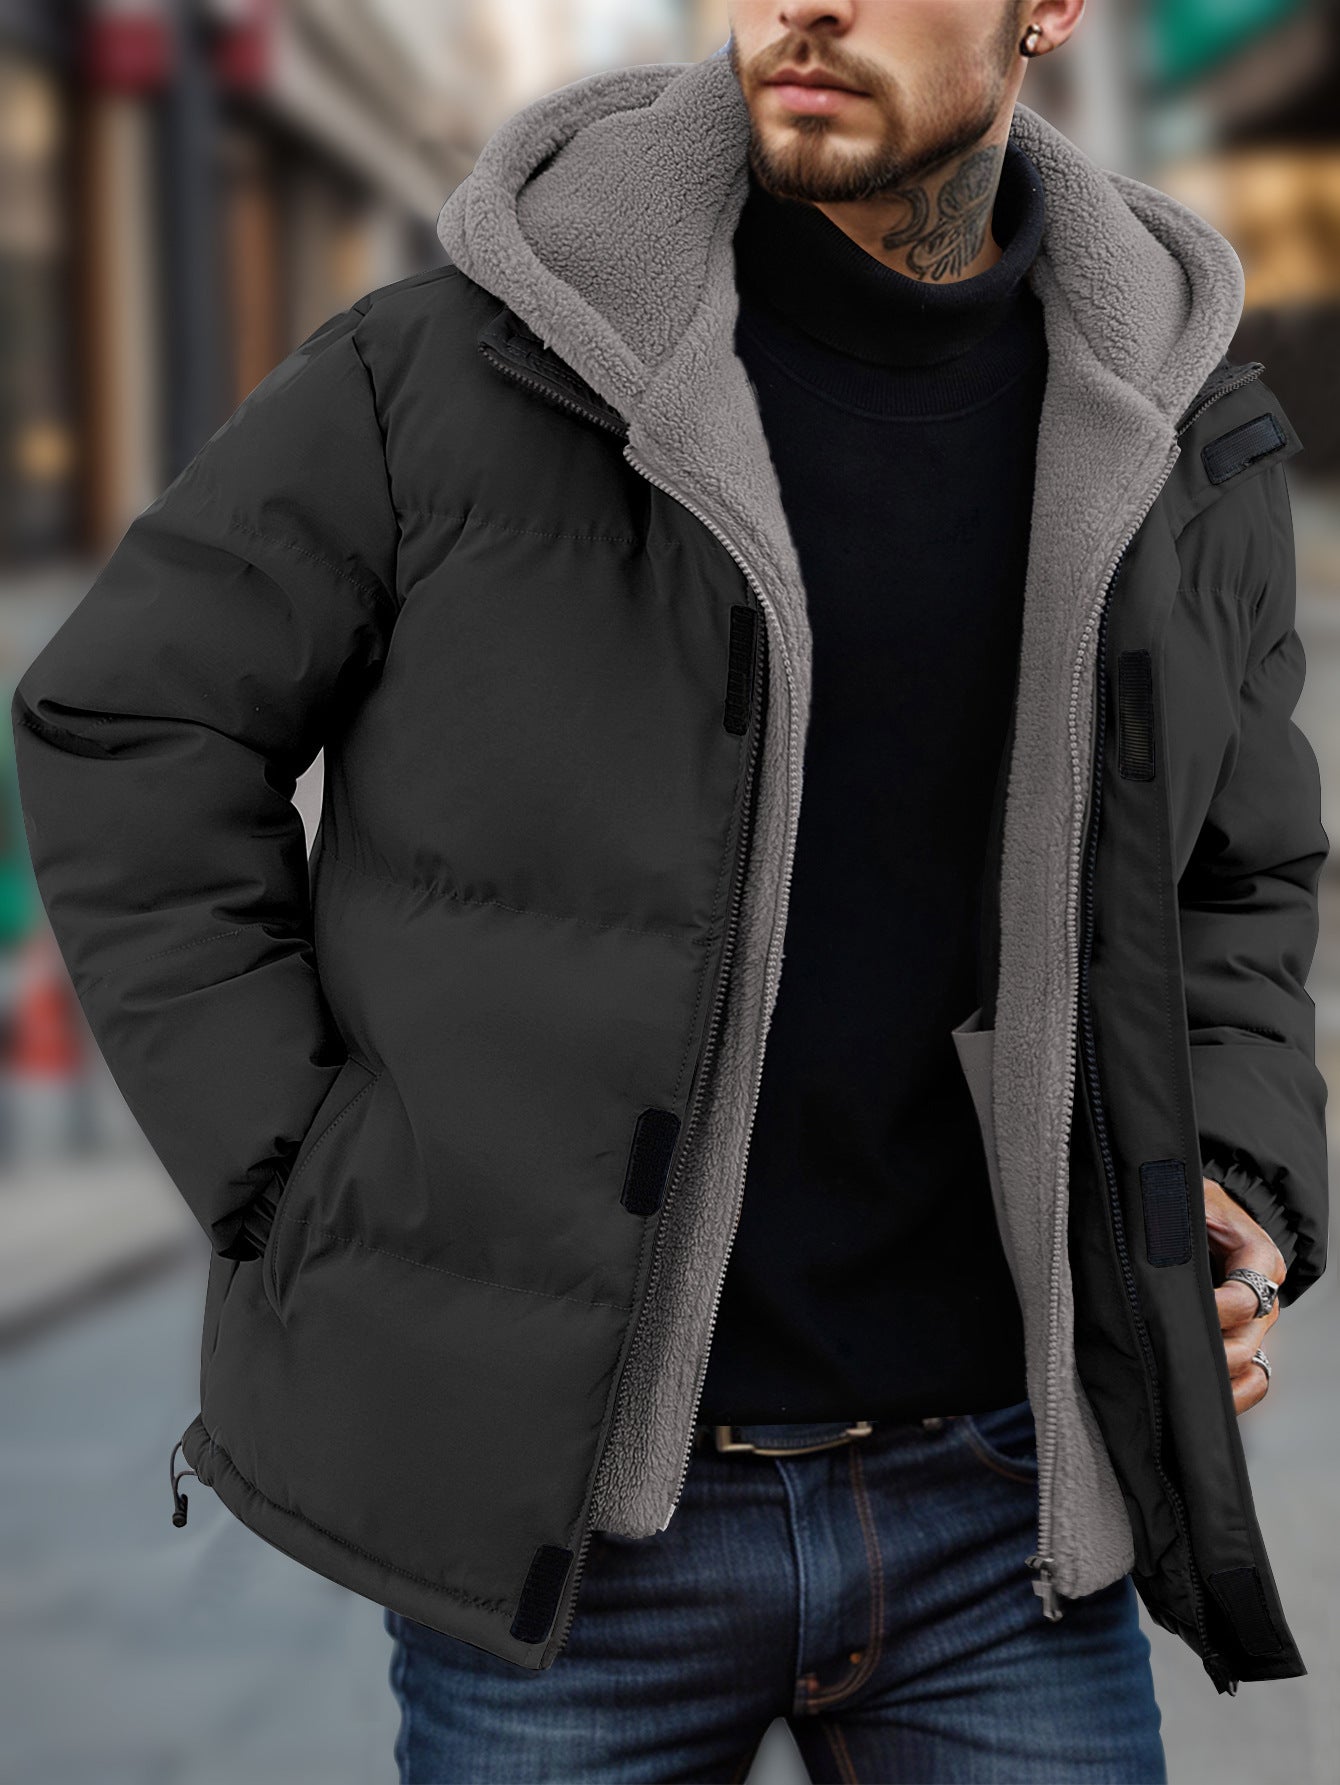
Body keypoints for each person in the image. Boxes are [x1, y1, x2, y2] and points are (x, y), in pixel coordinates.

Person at [10, 3, 1327, 1780]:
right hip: (583, 1548)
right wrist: (294, 1170)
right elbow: (132, 722)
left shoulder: (1175, 428)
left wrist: (1238, 1172)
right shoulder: (452, 367)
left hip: (1008, 1510)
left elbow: (1240, 875)